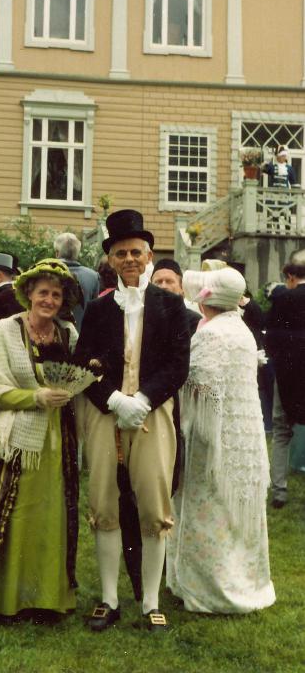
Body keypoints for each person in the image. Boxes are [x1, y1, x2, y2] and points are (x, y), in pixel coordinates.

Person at [75, 209, 190, 632]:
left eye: (136, 252)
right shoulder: (98, 308)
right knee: (104, 500)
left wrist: (143, 398)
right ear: (110, 259)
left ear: (149, 255)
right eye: (120, 253)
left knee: (154, 503)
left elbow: (178, 364)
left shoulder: (171, 305)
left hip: (152, 413)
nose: (129, 259)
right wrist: (112, 399)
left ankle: (150, 600)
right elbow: (82, 363)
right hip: (106, 414)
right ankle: (109, 598)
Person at [0, 259, 81, 620]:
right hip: (11, 440)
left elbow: (80, 377)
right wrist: (34, 397)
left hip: (56, 441)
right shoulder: (7, 330)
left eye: (56, 295)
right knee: (8, 516)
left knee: (50, 515)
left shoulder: (68, 334)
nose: (49, 300)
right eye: (43, 293)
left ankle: (46, 599)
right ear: (28, 294)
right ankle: (2, 600)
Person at [166, 266, 275, 614]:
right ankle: (243, 580)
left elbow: (199, 383)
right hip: (240, 432)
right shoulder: (241, 330)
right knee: (229, 512)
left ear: (206, 299)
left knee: (208, 508)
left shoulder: (212, 334)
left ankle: (210, 587)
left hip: (210, 438)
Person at [265, 248, 305, 508]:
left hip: (288, 375)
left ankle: (279, 490)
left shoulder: (282, 299)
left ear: (290, 276)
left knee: (281, 431)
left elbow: (270, 338)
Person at [54, 232, 99, 329]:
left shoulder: (46, 274)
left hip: (51, 334)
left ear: (57, 253)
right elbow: (95, 313)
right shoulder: (93, 276)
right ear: (77, 253)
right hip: (84, 334)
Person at [151, 258, 201, 335]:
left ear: (182, 288)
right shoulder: (144, 318)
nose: (163, 286)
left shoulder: (194, 321)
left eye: (169, 281)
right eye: (158, 282)